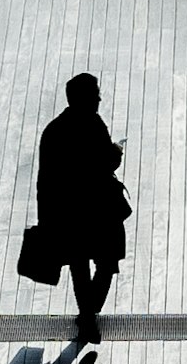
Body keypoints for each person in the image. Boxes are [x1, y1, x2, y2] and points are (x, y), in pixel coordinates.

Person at [35, 73, 128, 343]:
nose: (99, 98)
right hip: (98, 210)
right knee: (108, 261)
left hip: (67, 214)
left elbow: (45, 180)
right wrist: (115, 153)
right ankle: (89, 313)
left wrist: (46, 221)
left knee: (79, 265)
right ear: (85, 98)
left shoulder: (54, 131)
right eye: (95, 94)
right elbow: (102, 164)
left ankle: (87, 315)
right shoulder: (93, 125)